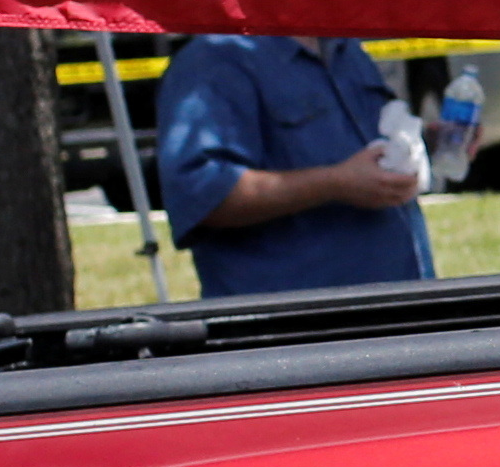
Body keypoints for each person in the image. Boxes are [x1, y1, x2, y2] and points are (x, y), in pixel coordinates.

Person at [151, 32, 440, 299]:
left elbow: (368, 149)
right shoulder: (214, 58)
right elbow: (202, 194)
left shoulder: (344, 46)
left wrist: (430, 141)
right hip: (296, 329)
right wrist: (335, 183)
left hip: (397, 304)